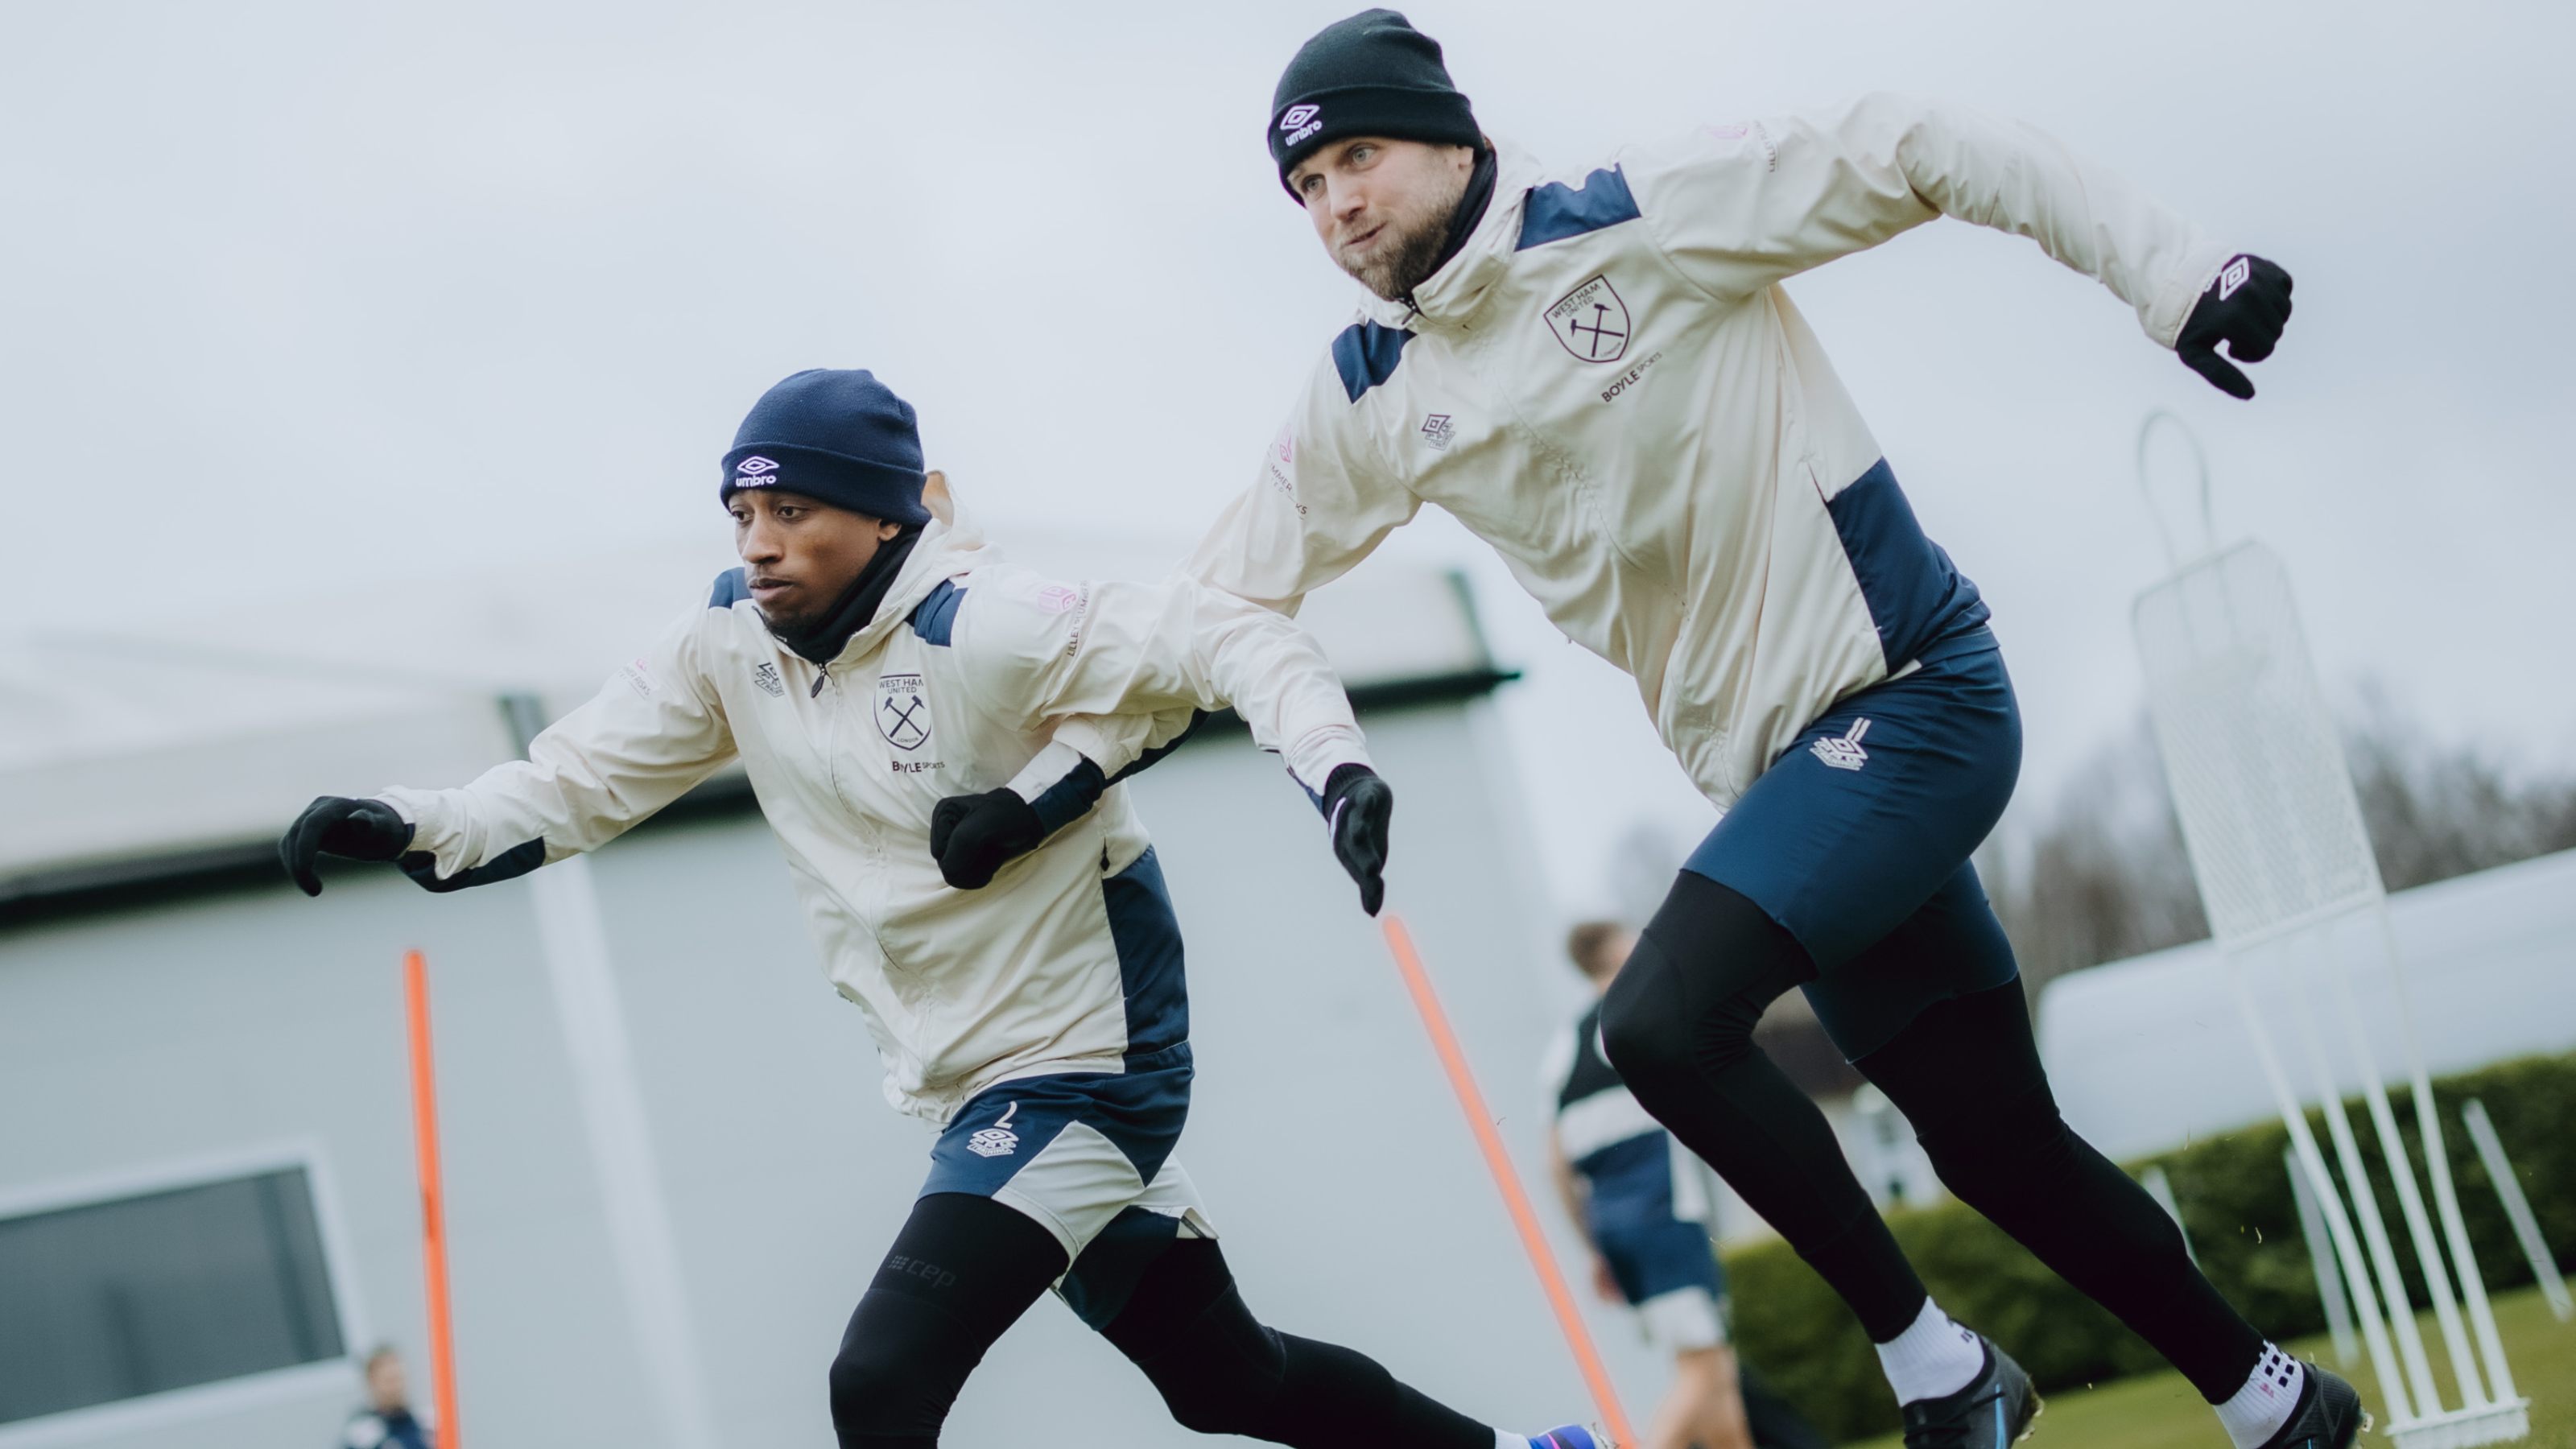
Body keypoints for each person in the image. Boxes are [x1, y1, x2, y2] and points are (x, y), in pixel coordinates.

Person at [1139, 11, 2339, 1448]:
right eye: (1305, 185)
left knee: (1657, 1023)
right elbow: (1208, 608)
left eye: (1358, 155)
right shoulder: (1371, 395)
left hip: (1918, 698)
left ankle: (1942, 1371)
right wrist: (1039, 785)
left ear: (1454, 137)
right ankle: (2277, 1403)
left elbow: (1922, 142)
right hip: (1798, 787)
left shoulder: (1637, 216)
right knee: (1999, 1150)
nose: (1335, 202)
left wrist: (2179, 273)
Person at [278, 368, 1609, 1449]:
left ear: (877, 514)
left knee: (881, 1382)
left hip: (1088, 1068)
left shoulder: (993, 622)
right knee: (1228, 1386)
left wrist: (1335, 766)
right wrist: (415, 822)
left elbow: (1230, 634)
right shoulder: (728, 645)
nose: (760, 543)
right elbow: (573, 782)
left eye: (793, 512)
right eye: (742, 515)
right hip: (967, 1085)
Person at [1545, 923, 1827, 1449]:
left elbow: (1555, 1165)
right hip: (1662, 1217)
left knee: (1719, 1381)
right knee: (1703, 1373)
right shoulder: (1634, 1015)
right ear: (1619, 952)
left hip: (1619, 1227)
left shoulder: (1563, 1046)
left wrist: (1595, 1249)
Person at [340, 1345, 431, 1449]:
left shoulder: (427, 1425)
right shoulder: (361, 1435)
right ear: (372, 1382)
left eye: (399, 1378)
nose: (396, 1387)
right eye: (389, 1380)